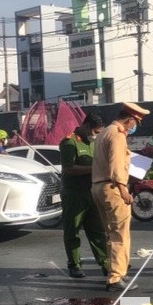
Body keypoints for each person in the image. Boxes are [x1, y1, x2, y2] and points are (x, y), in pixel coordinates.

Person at [91, 102, 150, 292]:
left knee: (111, 233)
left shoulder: (104, 132)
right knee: (120, 234)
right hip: (113, 187)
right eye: (136, 123)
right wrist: (123, 189)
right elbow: (116, 164)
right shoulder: (117, 135)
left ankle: (117, 270)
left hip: (99, 187)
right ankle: (116, 277)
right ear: (130, 119)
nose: (134, 127)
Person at [59, 112, 110, 278]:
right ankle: (74, 265)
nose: (96, 135)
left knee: (98, 231)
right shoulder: (70, 142)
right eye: (95, 132)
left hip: (92, 192)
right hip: (74, 194)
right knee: (72, 231)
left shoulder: (96, 143)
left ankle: (106, 264)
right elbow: (68, 169)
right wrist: (94, 169)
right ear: (87, 126)